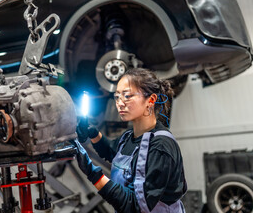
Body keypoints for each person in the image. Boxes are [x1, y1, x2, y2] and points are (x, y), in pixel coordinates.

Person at [72, 68, 187, 213]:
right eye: (117, 97)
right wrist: (92, 132)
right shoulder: (128, 137)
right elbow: (111, 152)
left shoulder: (160, 146)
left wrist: (93, 174)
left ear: (150, 100)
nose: (120, 103)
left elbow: (136, 207)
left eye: (127, 96)